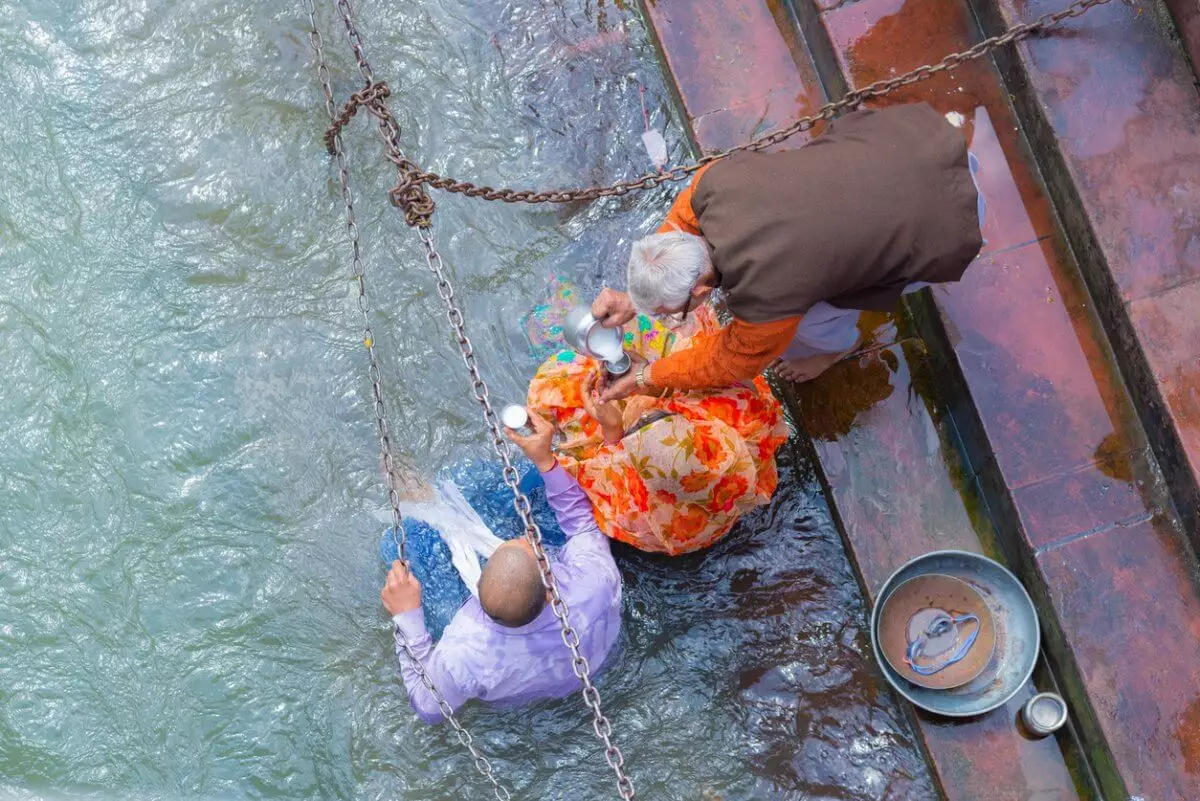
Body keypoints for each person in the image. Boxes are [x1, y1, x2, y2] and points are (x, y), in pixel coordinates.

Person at [593, 102, 987, 398]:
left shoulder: (768, 301)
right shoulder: (713, 182)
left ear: (699, 292)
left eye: (673, 314)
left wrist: (646, 378)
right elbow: (680, 222)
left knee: (809, 323)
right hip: (915, 141)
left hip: (951, 225)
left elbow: (728, 360)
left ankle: (833, 349)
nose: (676, 319)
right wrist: (636, 299)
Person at [380, 412, 621, 723]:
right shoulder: (594, 584)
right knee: (534, 477)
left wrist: (407, 616)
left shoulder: (466, 652)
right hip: (593, 666)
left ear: (475, 599)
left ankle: (404, 482)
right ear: (549, 585)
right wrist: (545, 460)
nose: (523, 536)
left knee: (402, 540)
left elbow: (429, 707)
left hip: (513, 687)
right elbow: (582, 525)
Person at [526, 302, 789, 555]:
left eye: (638, 426)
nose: (647, 410)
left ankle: (549, 321)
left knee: (560, 383)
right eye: (658, 414)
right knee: (683, 332)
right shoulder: (741, 437)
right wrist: (649, 379)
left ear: (640, 470)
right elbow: (718, 368)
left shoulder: (636, 514)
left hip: (628, 455)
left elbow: (598, 485)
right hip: (688, 458)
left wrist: (613, 430)